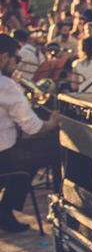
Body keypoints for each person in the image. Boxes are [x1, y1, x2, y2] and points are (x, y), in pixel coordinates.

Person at [0, 34, 60, 232]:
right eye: (16, 60)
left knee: (30, 156)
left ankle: (7, 207)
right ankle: (65, 207)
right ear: (3, 57)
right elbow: (34, 128)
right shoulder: (6, 85)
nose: (18, 65)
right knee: (56, 148)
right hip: (4, 154)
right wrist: (53, 121)